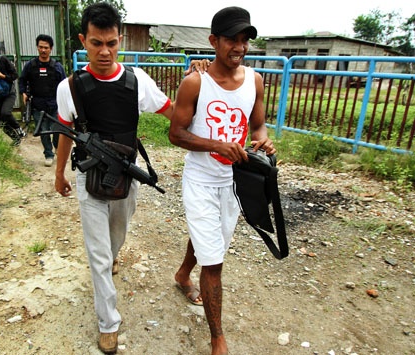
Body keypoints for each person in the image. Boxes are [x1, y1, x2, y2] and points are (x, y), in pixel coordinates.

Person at [54, 3, 175, 353]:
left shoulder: (138, 81)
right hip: (89, 177)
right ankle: (109, 321)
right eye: (96, 43)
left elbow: (173, 112)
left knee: (116, 238)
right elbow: (65, 131)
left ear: (119, 39)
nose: (104, 52)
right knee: (98, 254)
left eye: (111, 43)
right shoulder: (71, 87)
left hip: (125, 177)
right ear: (83, 41)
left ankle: (114, 255)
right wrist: (59, 171)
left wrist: (199, 81)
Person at [168, 6, 276, 355]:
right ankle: (217, 338)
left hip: (233, 182)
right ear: (214, 40)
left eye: (245, 40)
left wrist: (262, 138)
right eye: (232, 39)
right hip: (200, 179)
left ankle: (183, 274)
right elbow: (176, 133)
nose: (239, 47)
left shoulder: (255, 81)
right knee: (214, 261)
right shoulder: (195, 83)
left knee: (209, 240)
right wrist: (217, 144)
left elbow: (257, 124)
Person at [18, 34, 66, 166]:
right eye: (40, 47)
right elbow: (22, 80)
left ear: (51, 49)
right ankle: (48, 155)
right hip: (38, 104)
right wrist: (23, 93)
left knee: (57, 130)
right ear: (37, 48)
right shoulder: (30, 65)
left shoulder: (57, 67)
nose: (43, 50)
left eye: (46, 47)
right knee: (43, 131)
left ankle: (57, 147)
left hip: (55, 104)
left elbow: (64, 85)